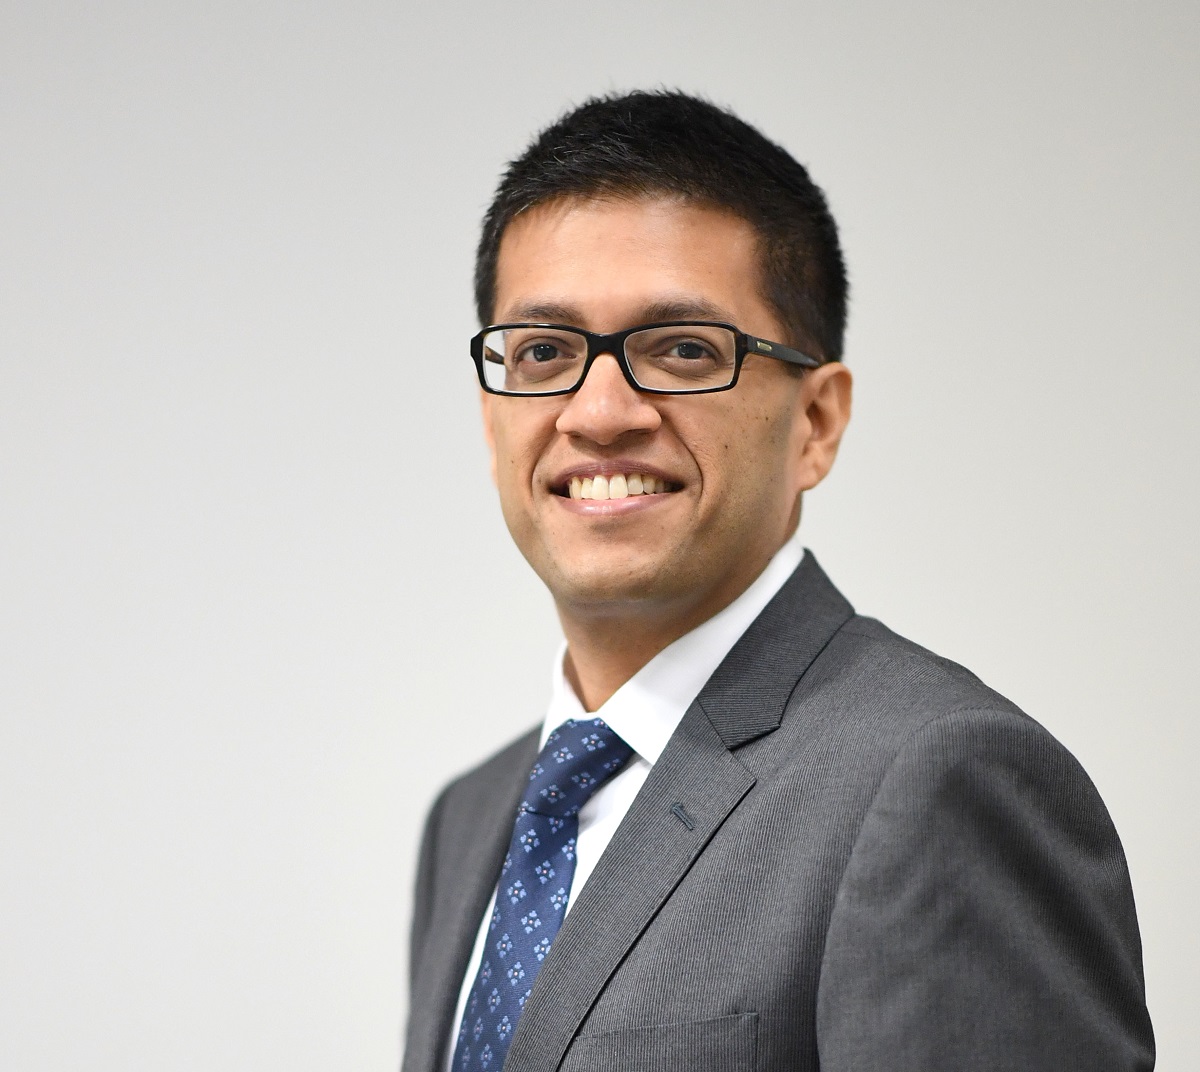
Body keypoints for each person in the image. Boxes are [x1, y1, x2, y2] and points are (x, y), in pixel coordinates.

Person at [400, 90, 1154, 1072]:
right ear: (490, 410)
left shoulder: (939, 779)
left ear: (817, 422)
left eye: (683, 349)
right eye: (544, 352)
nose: (598, 412)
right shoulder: (470, 819)